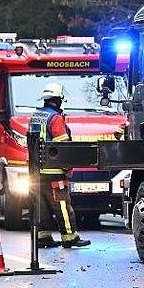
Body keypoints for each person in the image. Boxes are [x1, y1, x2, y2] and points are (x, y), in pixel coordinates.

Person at [32, 83, 91, 249]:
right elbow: (62, 148)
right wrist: (68, 168)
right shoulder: (55, 118)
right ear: (58, 100)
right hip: (54, 173)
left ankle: (43, 237)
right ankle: (69, 237)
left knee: (40, 205)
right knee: (62, 205)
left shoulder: (35, 116)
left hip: (36, 172)